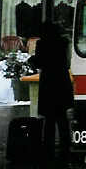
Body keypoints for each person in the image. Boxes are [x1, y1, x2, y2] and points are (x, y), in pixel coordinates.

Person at [28, 21, 74, 161]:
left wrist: (32, 60)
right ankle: (65, 148)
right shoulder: (64, 42)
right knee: (62, 119)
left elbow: (40, 61)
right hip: (62, 82)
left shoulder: (42, 44)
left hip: (48, 82)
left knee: (49, 119)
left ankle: (48, 149)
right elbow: (66, 62)